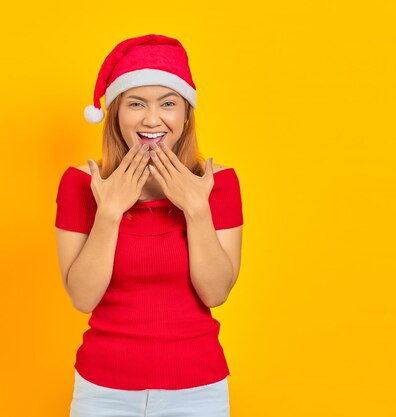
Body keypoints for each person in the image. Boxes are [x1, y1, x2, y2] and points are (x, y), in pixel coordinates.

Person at [55, 34, 243, 417]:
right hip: (102, 391)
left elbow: (216, 293)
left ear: (186, 114)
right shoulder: (80, 183)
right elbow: (82, 298)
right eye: (136, 103)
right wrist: (109, 211)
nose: (152, 119)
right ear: (115, 113)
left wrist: (196, 209)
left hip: (198, 391)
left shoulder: (218, 183)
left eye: (168, 103)